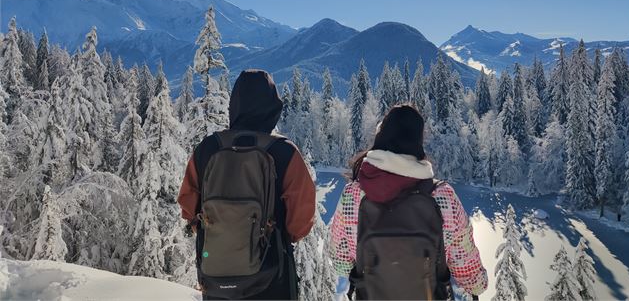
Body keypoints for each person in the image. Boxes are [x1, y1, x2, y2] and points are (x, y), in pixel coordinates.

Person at [178, 69, 316, 300]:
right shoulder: (284, 153)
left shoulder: (208, 149)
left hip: (216, 278)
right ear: (273, 109)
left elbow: (188, 206)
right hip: (271, 278)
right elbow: (301, 221)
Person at [328, 104, 488, 300]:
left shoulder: (353, 195)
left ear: (381, 136)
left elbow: (340, 262)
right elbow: (472, 278)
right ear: (418, 142)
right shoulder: (442, 197)